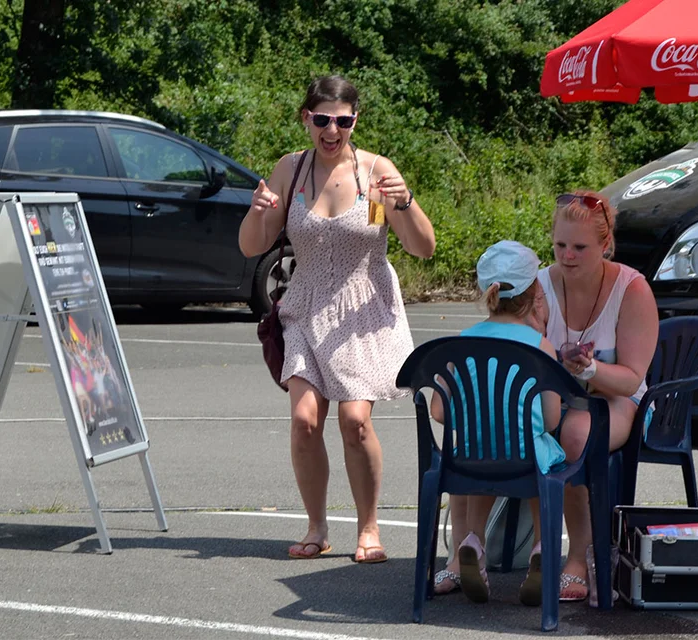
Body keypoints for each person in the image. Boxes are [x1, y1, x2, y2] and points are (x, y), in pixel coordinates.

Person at [238, 75, 436, 563]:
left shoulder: (376, 171)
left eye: (342, 121)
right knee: (305, 421)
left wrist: (404, 201)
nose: (332, 130)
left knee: (355, 422)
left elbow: (423, 248)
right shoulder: (291, 169)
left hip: (363, 310)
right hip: (305, 306)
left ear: (355, 120)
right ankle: (317, 527)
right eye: (322, 119)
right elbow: (251, 245)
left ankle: (369, 528)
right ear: (306, 118)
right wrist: (259, 212)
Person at [523, 190, 657, 603]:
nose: (567, 256)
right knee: (516, 429)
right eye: (560, 245)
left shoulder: (632, 289)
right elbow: (527, 358)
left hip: (618, 398)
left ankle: (579, 556)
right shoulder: (540, 286)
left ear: (605, 244)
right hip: (558, 398)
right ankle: (520, 548)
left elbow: (633, 378)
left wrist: (591, 369)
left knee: (577, 434)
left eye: (580, 247)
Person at [429, 241, 563, 603]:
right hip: (525, 459)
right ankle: (541, 549)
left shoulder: (462, 342)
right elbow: (550, 419)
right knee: (545, 456)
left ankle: (472, 541)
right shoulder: (539, 345)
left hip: (471, 458)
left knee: (481, 454)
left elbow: (438, 412)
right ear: (534, 292)